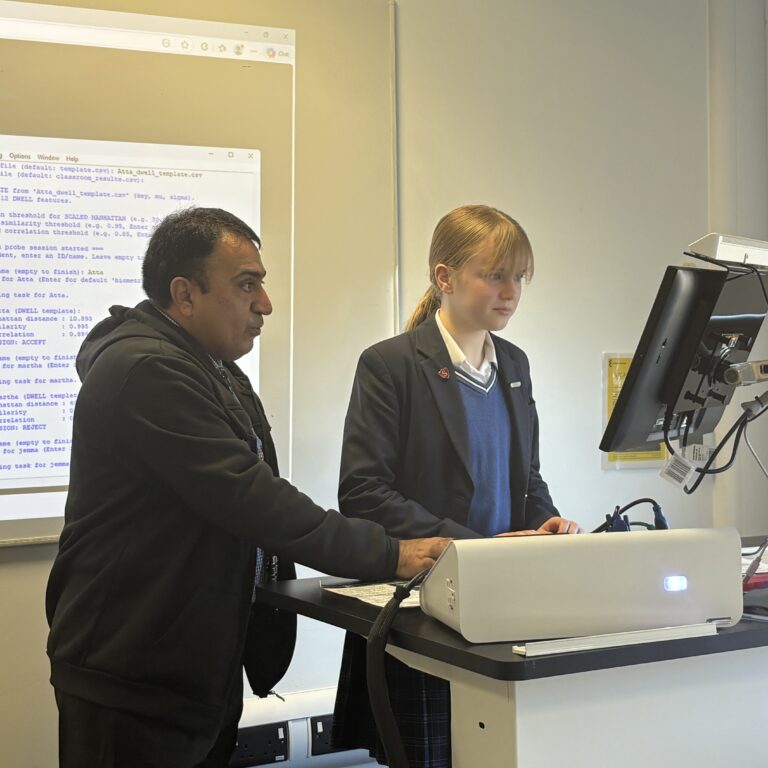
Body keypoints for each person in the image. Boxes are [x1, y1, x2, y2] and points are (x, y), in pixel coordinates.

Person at [45, 207, 449, 768]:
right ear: (184, 294)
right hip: (133, 677)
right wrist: (391, 553)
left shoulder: (213, 369)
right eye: (247, 285)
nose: (265, 304)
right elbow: (251, 498)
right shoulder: (147, 371)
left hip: (187, 666)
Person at [332, 204, 582, 767]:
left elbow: (527, 477)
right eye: (494, 275)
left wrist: (547, 523)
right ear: (444, 278)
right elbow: (364, 492)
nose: (511, 291)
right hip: (425, 608)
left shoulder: (514, 363)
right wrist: (475, 549)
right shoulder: (389, 365)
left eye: (519, 277)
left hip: (503, 602)